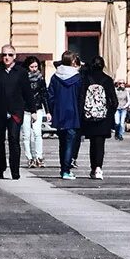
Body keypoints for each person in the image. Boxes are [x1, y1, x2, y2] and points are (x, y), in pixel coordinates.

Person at [0, 45, 32, 179]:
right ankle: (0, 169)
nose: (6, 57)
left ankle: (15, 170)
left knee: (14, 139)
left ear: (14, 56)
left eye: (9, 55)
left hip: (15, 112)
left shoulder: (21, 72)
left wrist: (33, 110)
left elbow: (27, 92)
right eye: (4, 55)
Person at [79, 56, 117, 180]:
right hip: (103, 118)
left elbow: (81, 98)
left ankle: (92, 168)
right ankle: (99, 168)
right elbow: (114, 101)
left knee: (92, 144)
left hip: (89, 117)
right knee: (100, 144)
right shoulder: (107, 79)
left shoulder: (86, 79)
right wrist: (109, 114)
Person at [47, 51, 84, 180]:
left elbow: (50, 96)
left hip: (59, 113)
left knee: (62, 143)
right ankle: (66, 170)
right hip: (73, 113)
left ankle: (63, 168)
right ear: (73, 61)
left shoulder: (55, 77)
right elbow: (81, 97)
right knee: (69, 142)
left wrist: (53, 110)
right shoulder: (78, 77)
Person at [21, 57, 48, 169]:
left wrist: (48, 110)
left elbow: (43, 94)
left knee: (37, 134)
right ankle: (29, 158)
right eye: (32, 67)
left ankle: (39, 157)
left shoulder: (40, 78)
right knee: (26, 135)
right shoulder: (23, 78)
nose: (34, 69)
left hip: (38, 108)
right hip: (25, 109)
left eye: (36, 66)